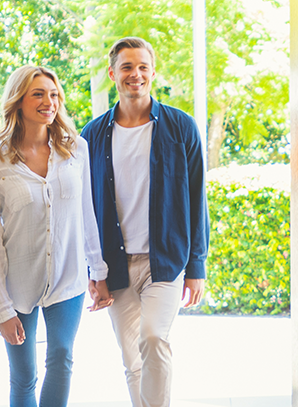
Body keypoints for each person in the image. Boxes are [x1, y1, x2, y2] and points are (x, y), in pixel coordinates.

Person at [79, 37, 208, 407]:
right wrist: (94, 270)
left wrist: (196, 265)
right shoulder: (92, 135)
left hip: (163, 261)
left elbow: (197, 199)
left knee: (153, 338)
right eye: (126, 67)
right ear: (112, 74)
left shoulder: (181, 127)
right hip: (115, 266)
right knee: (131, 360)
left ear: (152, 72)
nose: (135, 75)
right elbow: (87, 211)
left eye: (142, 67)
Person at [0, 65, 112, 407]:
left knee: (62, 360)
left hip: (69, 279)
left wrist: (99, 273)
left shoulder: (75, 149)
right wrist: (1, 308)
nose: (48, 101)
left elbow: (87, 216)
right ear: (18, 101)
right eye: (38, 94)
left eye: (53, 95)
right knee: (23, 376)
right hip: (17, 286)